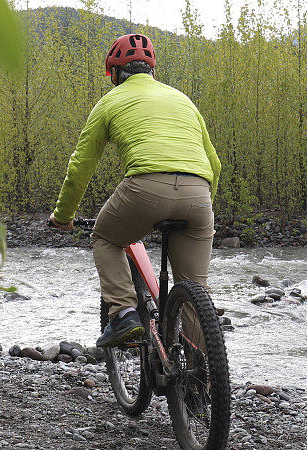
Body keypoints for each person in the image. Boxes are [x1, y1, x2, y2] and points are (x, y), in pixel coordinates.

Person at [49, 33, 221, 348]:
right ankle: (202, 385)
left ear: (114, 74)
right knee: (196, 290)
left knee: (105, 238)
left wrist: (63, 216)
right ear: (152, 71)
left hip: (145, 189)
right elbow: (215, 163)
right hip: (199, 193)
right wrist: (203, 204)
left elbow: (80, 167)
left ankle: (125, 313)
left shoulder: (109, 102)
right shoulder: (182, 99)